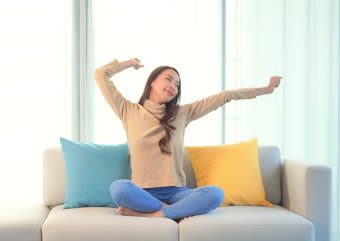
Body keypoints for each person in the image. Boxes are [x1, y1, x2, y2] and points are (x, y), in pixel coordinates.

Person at [94, 58, 282, 223]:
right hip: (143, 192)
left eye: (177, 84)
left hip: (177, 193)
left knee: (215, 193)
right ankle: (171, 212)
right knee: (118, 188)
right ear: (152, 82)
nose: (173, 86)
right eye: (168, 79)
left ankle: (151, 215)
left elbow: (225, 97)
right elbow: (101, 74)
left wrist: (265, 90)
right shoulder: (129, 111)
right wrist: (130, 63)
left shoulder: (182, 113)